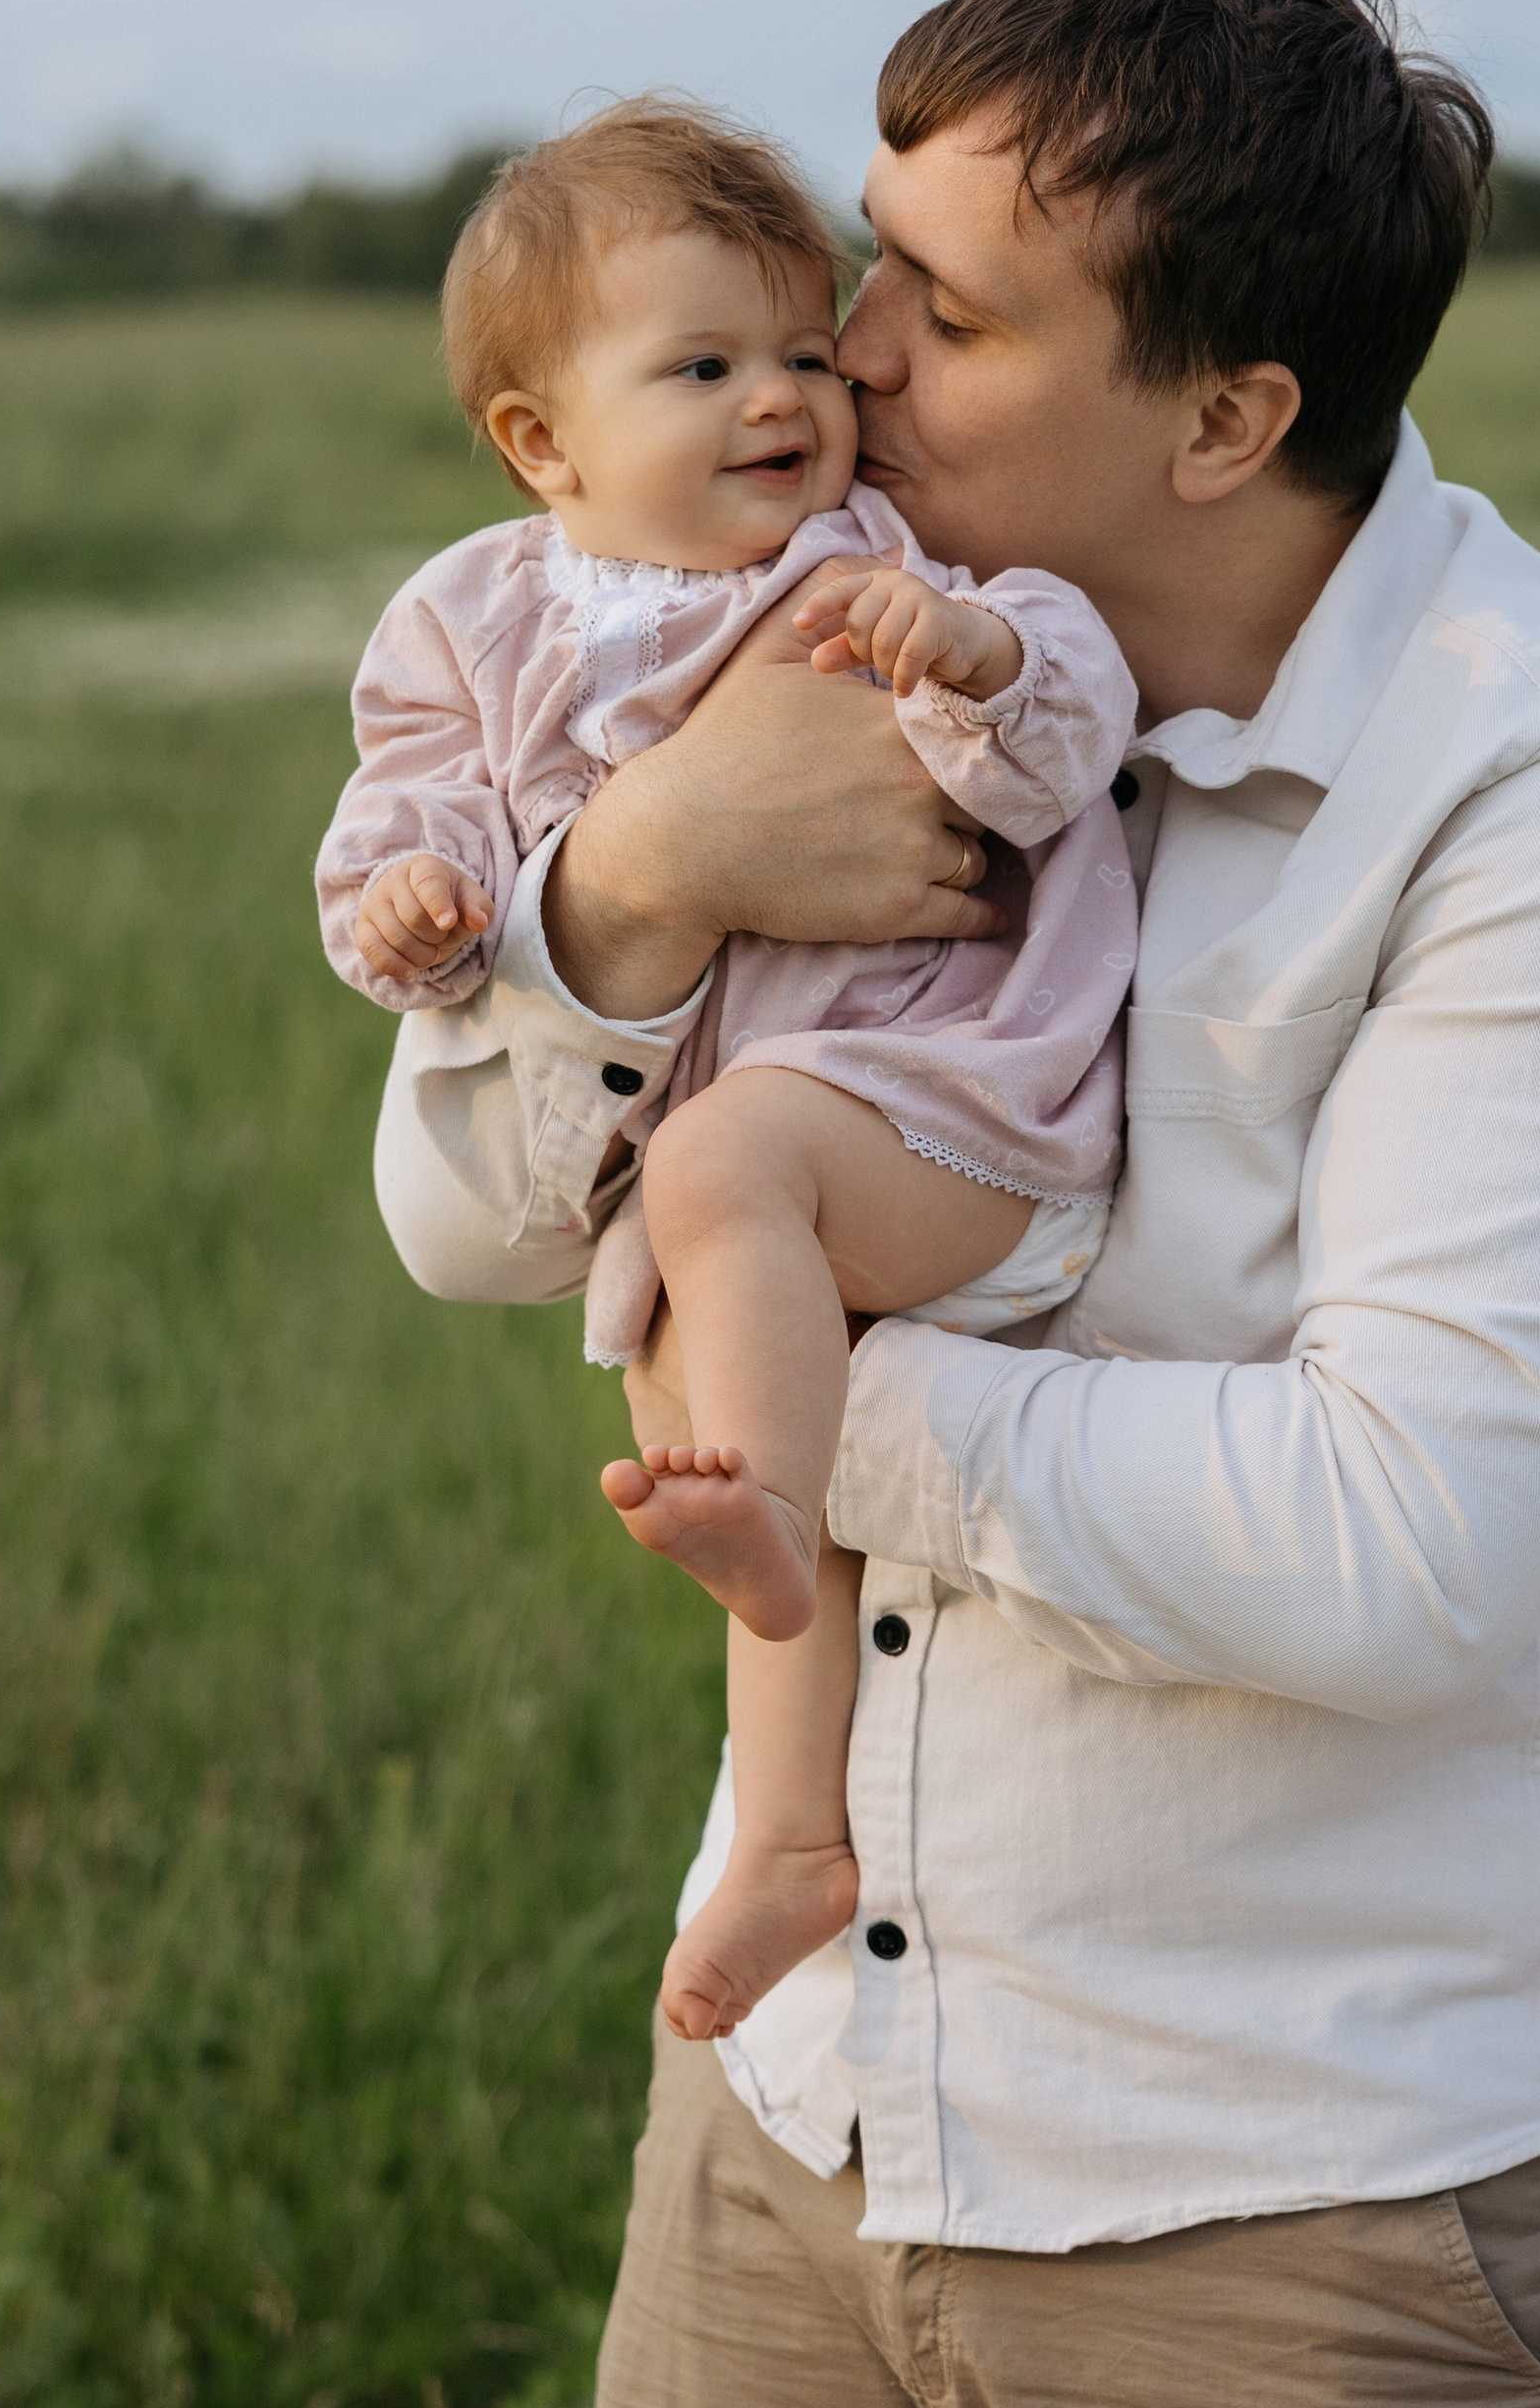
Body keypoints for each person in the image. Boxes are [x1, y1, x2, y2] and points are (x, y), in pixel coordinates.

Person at [371, 0, 1540, 2408]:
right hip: (794, 2143)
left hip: (1319, 2226)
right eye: (863, 269)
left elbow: (1401, 1546)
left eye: (947, 310)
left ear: (1229, 413)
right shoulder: (790, 641)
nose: (848, 356)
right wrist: (644, 878)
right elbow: (457, 1219)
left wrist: (787, 1387)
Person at [316, 99, 1138, 2042]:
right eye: (702, 367)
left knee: (712, 1214)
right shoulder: (475, 615)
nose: (787, 398)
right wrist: (419, 907)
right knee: (697, 1338)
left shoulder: (878, 557)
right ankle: (786, 1837)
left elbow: (1058, 719)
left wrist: (963, 658)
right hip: (741, 1161)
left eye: (796, 346)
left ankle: (763, 1529)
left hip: (947, 1101)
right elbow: (405, 806)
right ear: (543, 443)